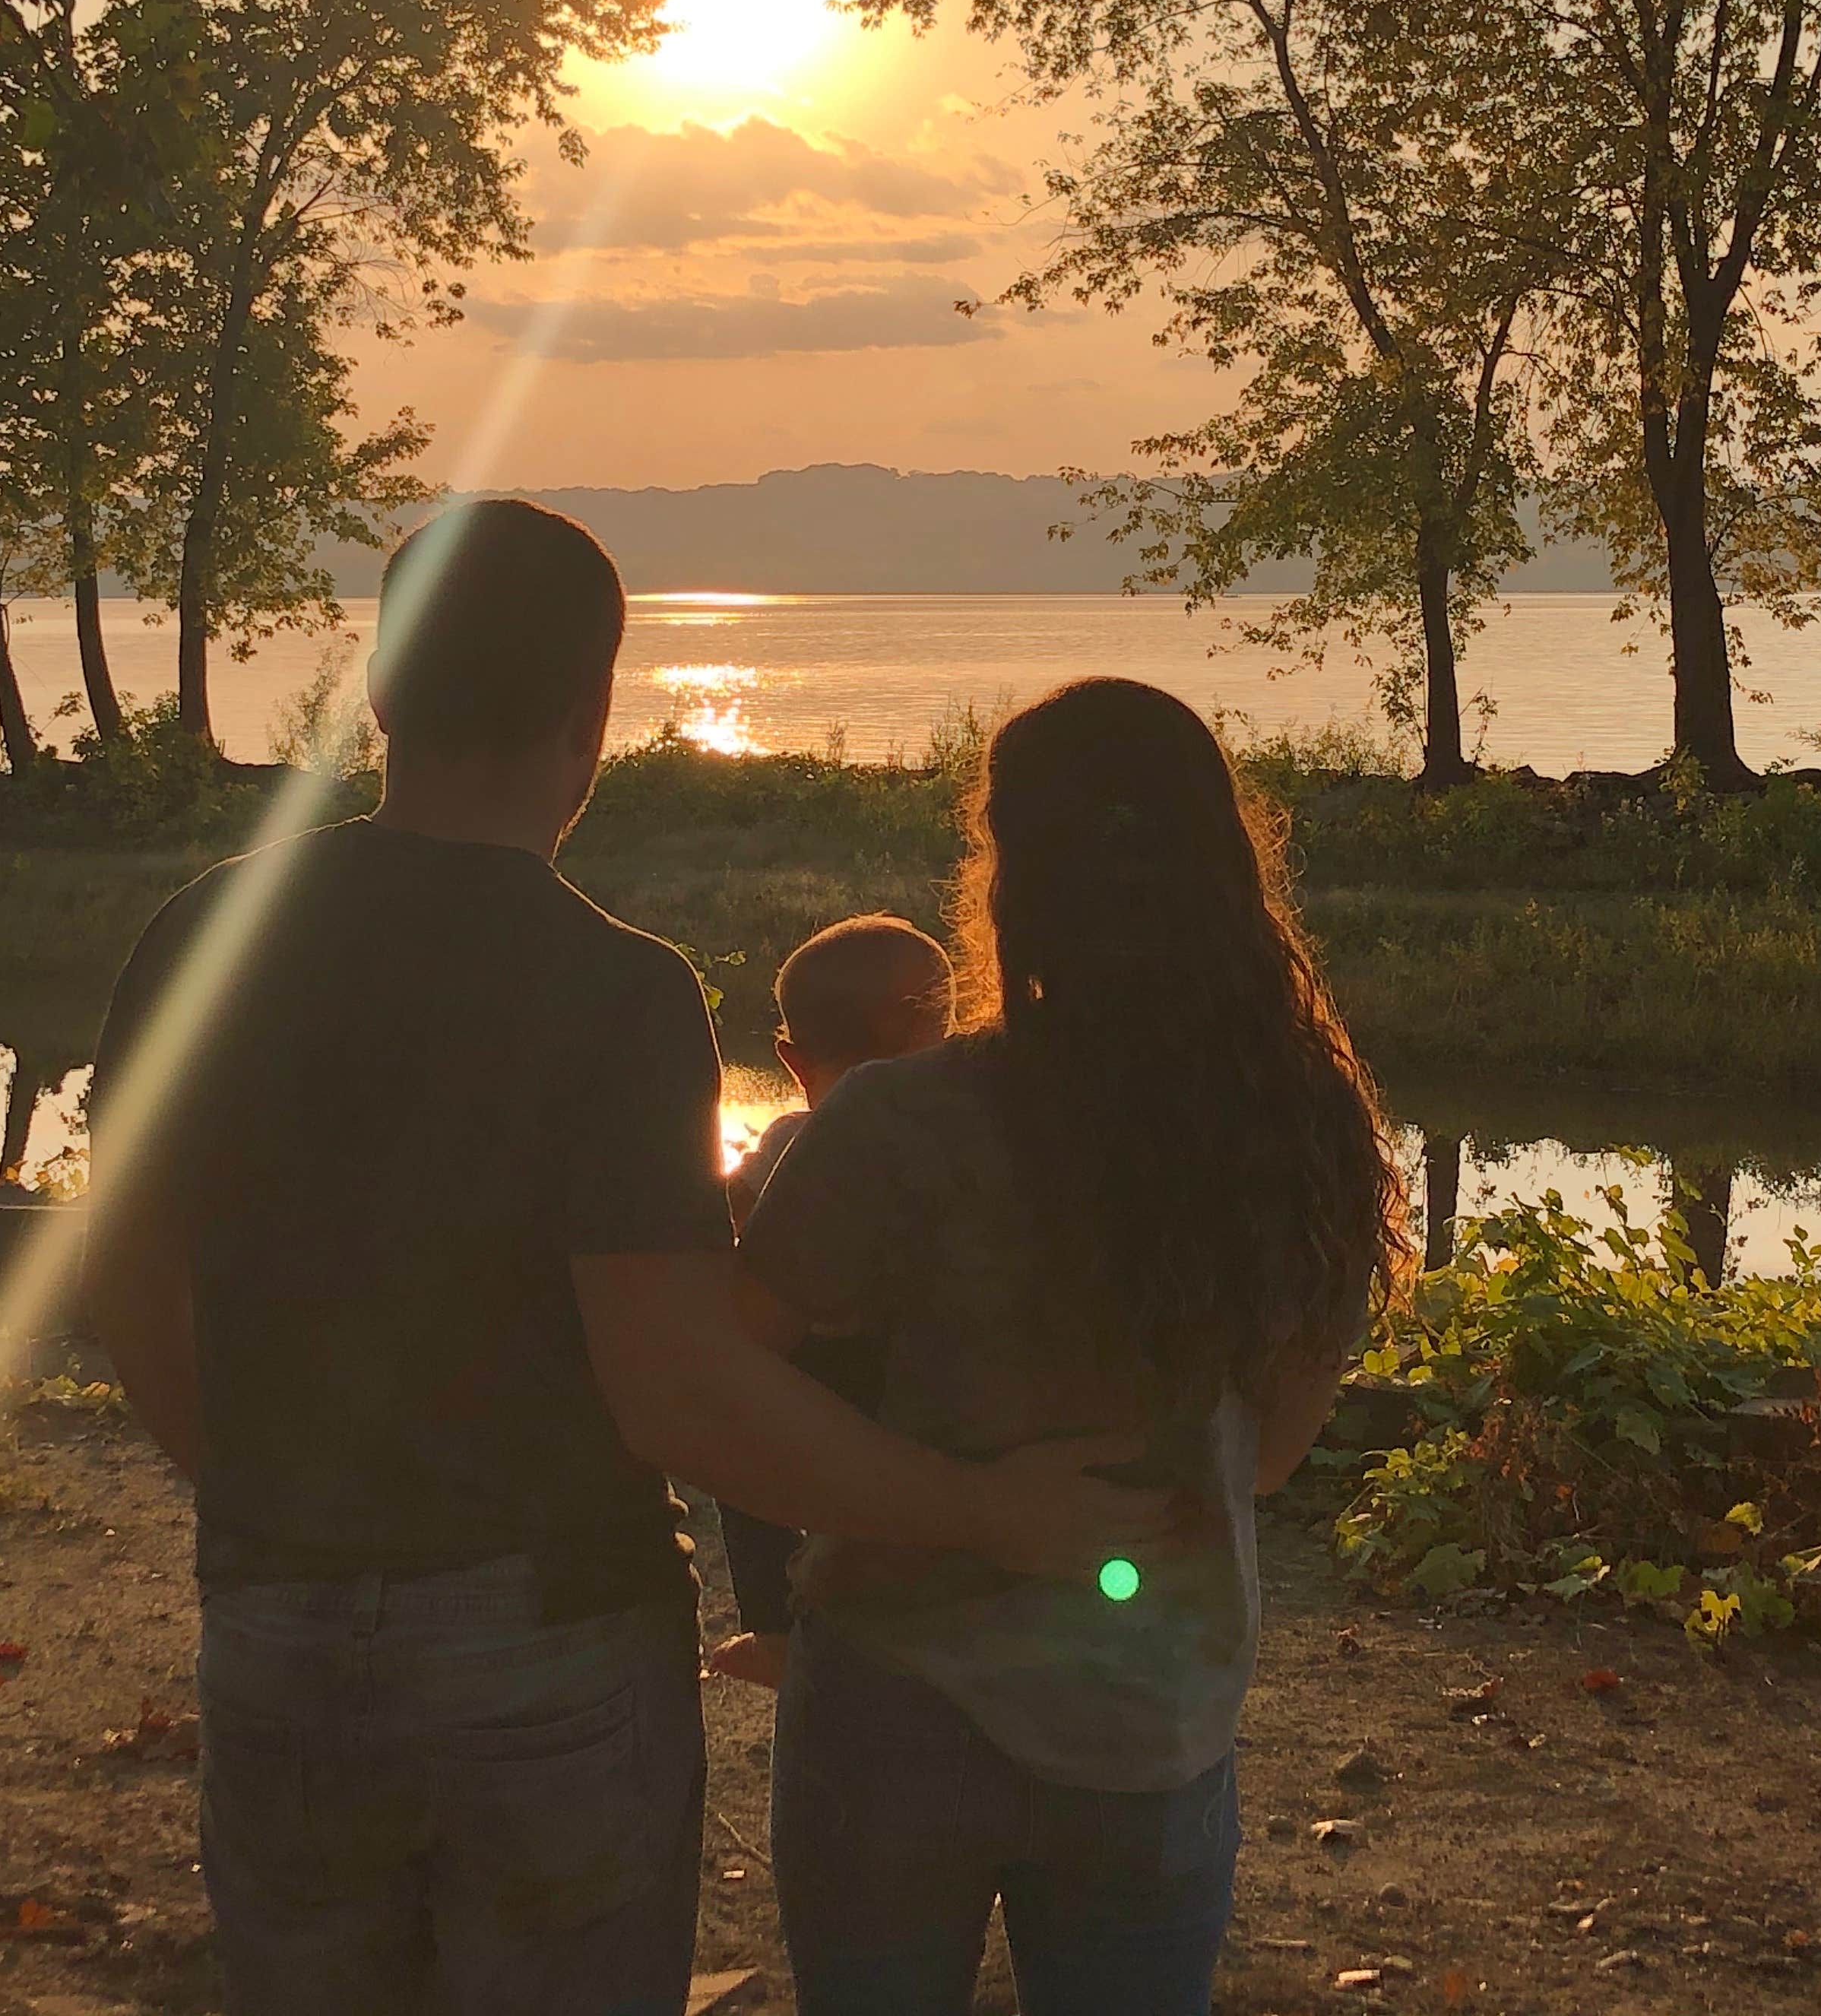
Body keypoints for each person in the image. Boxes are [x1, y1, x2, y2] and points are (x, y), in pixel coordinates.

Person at [78, 502, 1176, 2016]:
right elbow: (673, 1390)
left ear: (383, 692)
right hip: (546, 1648)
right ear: (592, 711)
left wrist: (264, 1497)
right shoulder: (615, 990)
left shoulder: (195, 933)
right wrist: (985, 1509)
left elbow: (127, 1276)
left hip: (273, 1623)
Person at [739, 676, 1412, 2016]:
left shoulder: (895, 1120)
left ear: (1012, 874)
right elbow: (1270, 1456)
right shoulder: (1309, 1129)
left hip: (895, 1700)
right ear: (1222, 862)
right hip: (1149, 1715)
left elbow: (730, 1383)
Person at [709, 914, 956, 1691]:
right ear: (946, 1035)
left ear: (791, 1057)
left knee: (740, 1454)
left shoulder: (792, 1134)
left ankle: (777, 1627)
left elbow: (738, 1230)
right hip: (923, 1358)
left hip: (814, 1357)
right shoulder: (963, 1127)